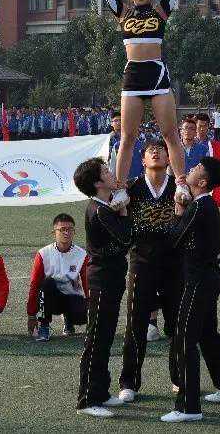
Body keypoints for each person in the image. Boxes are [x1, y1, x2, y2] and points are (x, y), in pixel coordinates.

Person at [71, 0, 194, 210]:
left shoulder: (162, 10)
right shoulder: (122, 11)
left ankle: (181, 184)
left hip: (157, 76)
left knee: (170, 134)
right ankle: (119, 190)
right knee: (127, 138)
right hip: (132, 78)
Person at [163, 156, 220, 423]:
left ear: (203, 181)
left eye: (197, 168)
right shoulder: (203, 204)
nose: (191, 168)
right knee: (208, 335)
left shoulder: (199, 206)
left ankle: (188, 407)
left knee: (185, 339)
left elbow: (174, 238)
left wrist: (177, 209)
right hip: (206, 278)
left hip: (198, 281)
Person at [118, 140, 181, 403]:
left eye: (161, 150)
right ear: (142, 160)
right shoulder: (131, 188)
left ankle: (180, 377)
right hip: (141, 263)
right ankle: (129, 382)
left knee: (176, 324)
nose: (155, 152)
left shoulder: (178, 188)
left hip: (173, 265)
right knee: (135, 323)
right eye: (149, 151)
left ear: (169, 159)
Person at [74, 157, 132, 418]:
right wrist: (124, 211)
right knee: (96, 340)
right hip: (103, 280)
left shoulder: (104, 206)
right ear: (98, 183)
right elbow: (127, 238)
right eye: (106, 171)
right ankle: (87, 400)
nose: (111, 173)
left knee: (105, 337)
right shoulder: (100, 211)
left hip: (111, 278)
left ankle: (100, 391)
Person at [26, 213, 89, 341]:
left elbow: (88, 283)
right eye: (62, 229)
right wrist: (31, 315)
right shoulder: (43, 254)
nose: (66, 233)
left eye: (70, 229)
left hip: (72, 296)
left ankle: (69, 321)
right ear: (54, 232)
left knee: (81, 317)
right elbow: (34, 284)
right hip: (51, 300)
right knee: (47, 282)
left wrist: (92, 310)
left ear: (74, 232)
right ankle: (44, 326)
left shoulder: (82, 255)